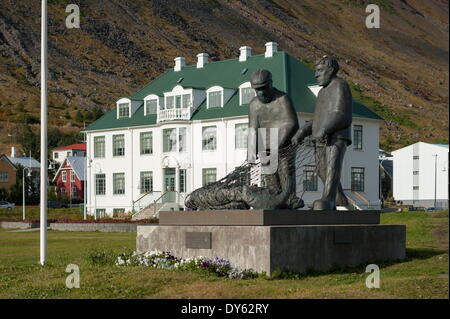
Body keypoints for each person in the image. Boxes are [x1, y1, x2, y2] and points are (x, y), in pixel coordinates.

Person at [291, 56, 352, 210]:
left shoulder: (340, 86)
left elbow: (342, 114)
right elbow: (317, 119)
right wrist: (302, 131)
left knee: (332, 168)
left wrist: (325, 129)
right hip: (321, 138)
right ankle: (341, 200)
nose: (316, 75)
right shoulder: (322, 93)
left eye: (319, 70)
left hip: (336, 136)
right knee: (321, 170)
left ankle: (329, 198)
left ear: (331, 70)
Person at [247, 69, 303, 209]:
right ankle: (275, 197)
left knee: (285, 170)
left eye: (263, 88)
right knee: (269, 173)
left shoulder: (282, 99)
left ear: (271, 84)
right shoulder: (254, 105)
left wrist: (278, 144)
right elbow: (253, 129)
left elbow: (291, 123)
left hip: (284, 141)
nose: (261, 93)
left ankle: (290, 198)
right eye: (257, 90)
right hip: (265, 142)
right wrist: (251, 152)